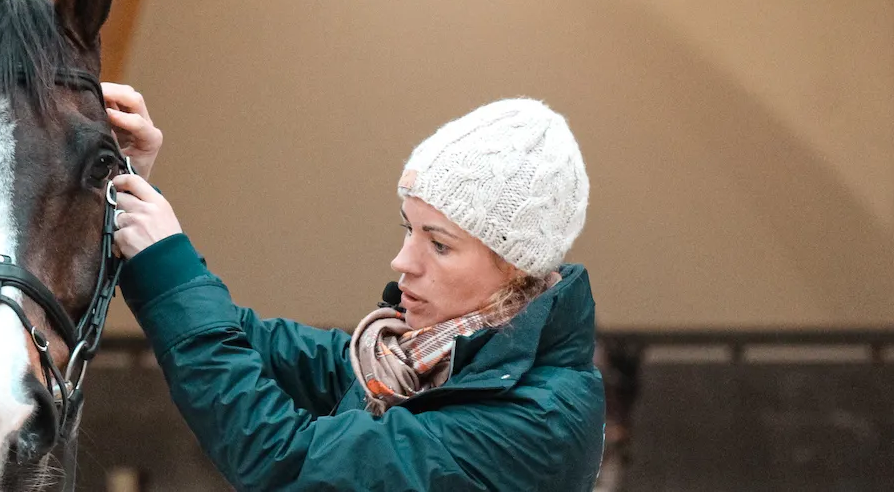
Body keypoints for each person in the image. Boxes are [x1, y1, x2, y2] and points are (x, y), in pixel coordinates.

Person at [101, 91, 605, 491]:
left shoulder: (536, 424)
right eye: (409, 229)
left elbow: (287, 462)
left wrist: (166, 259)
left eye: (440, 244)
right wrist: (129, 188)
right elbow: (247, 340)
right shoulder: (412, 362)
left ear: (516, 269)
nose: (402, 261)